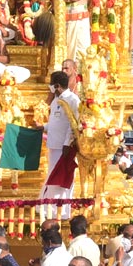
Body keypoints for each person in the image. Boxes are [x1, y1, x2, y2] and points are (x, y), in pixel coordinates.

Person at [41, 73, 80, 212]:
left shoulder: (72, 100)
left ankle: (61, 210)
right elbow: (55, 122)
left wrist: (67, 143)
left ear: (57, 86)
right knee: (52, 176)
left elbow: (73, 124)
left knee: (61, 178)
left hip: (64, 147)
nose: (50, 87)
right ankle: (48, 208)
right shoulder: (56, 100)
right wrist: (43, 127)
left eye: (51, 84)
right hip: (53, 144)